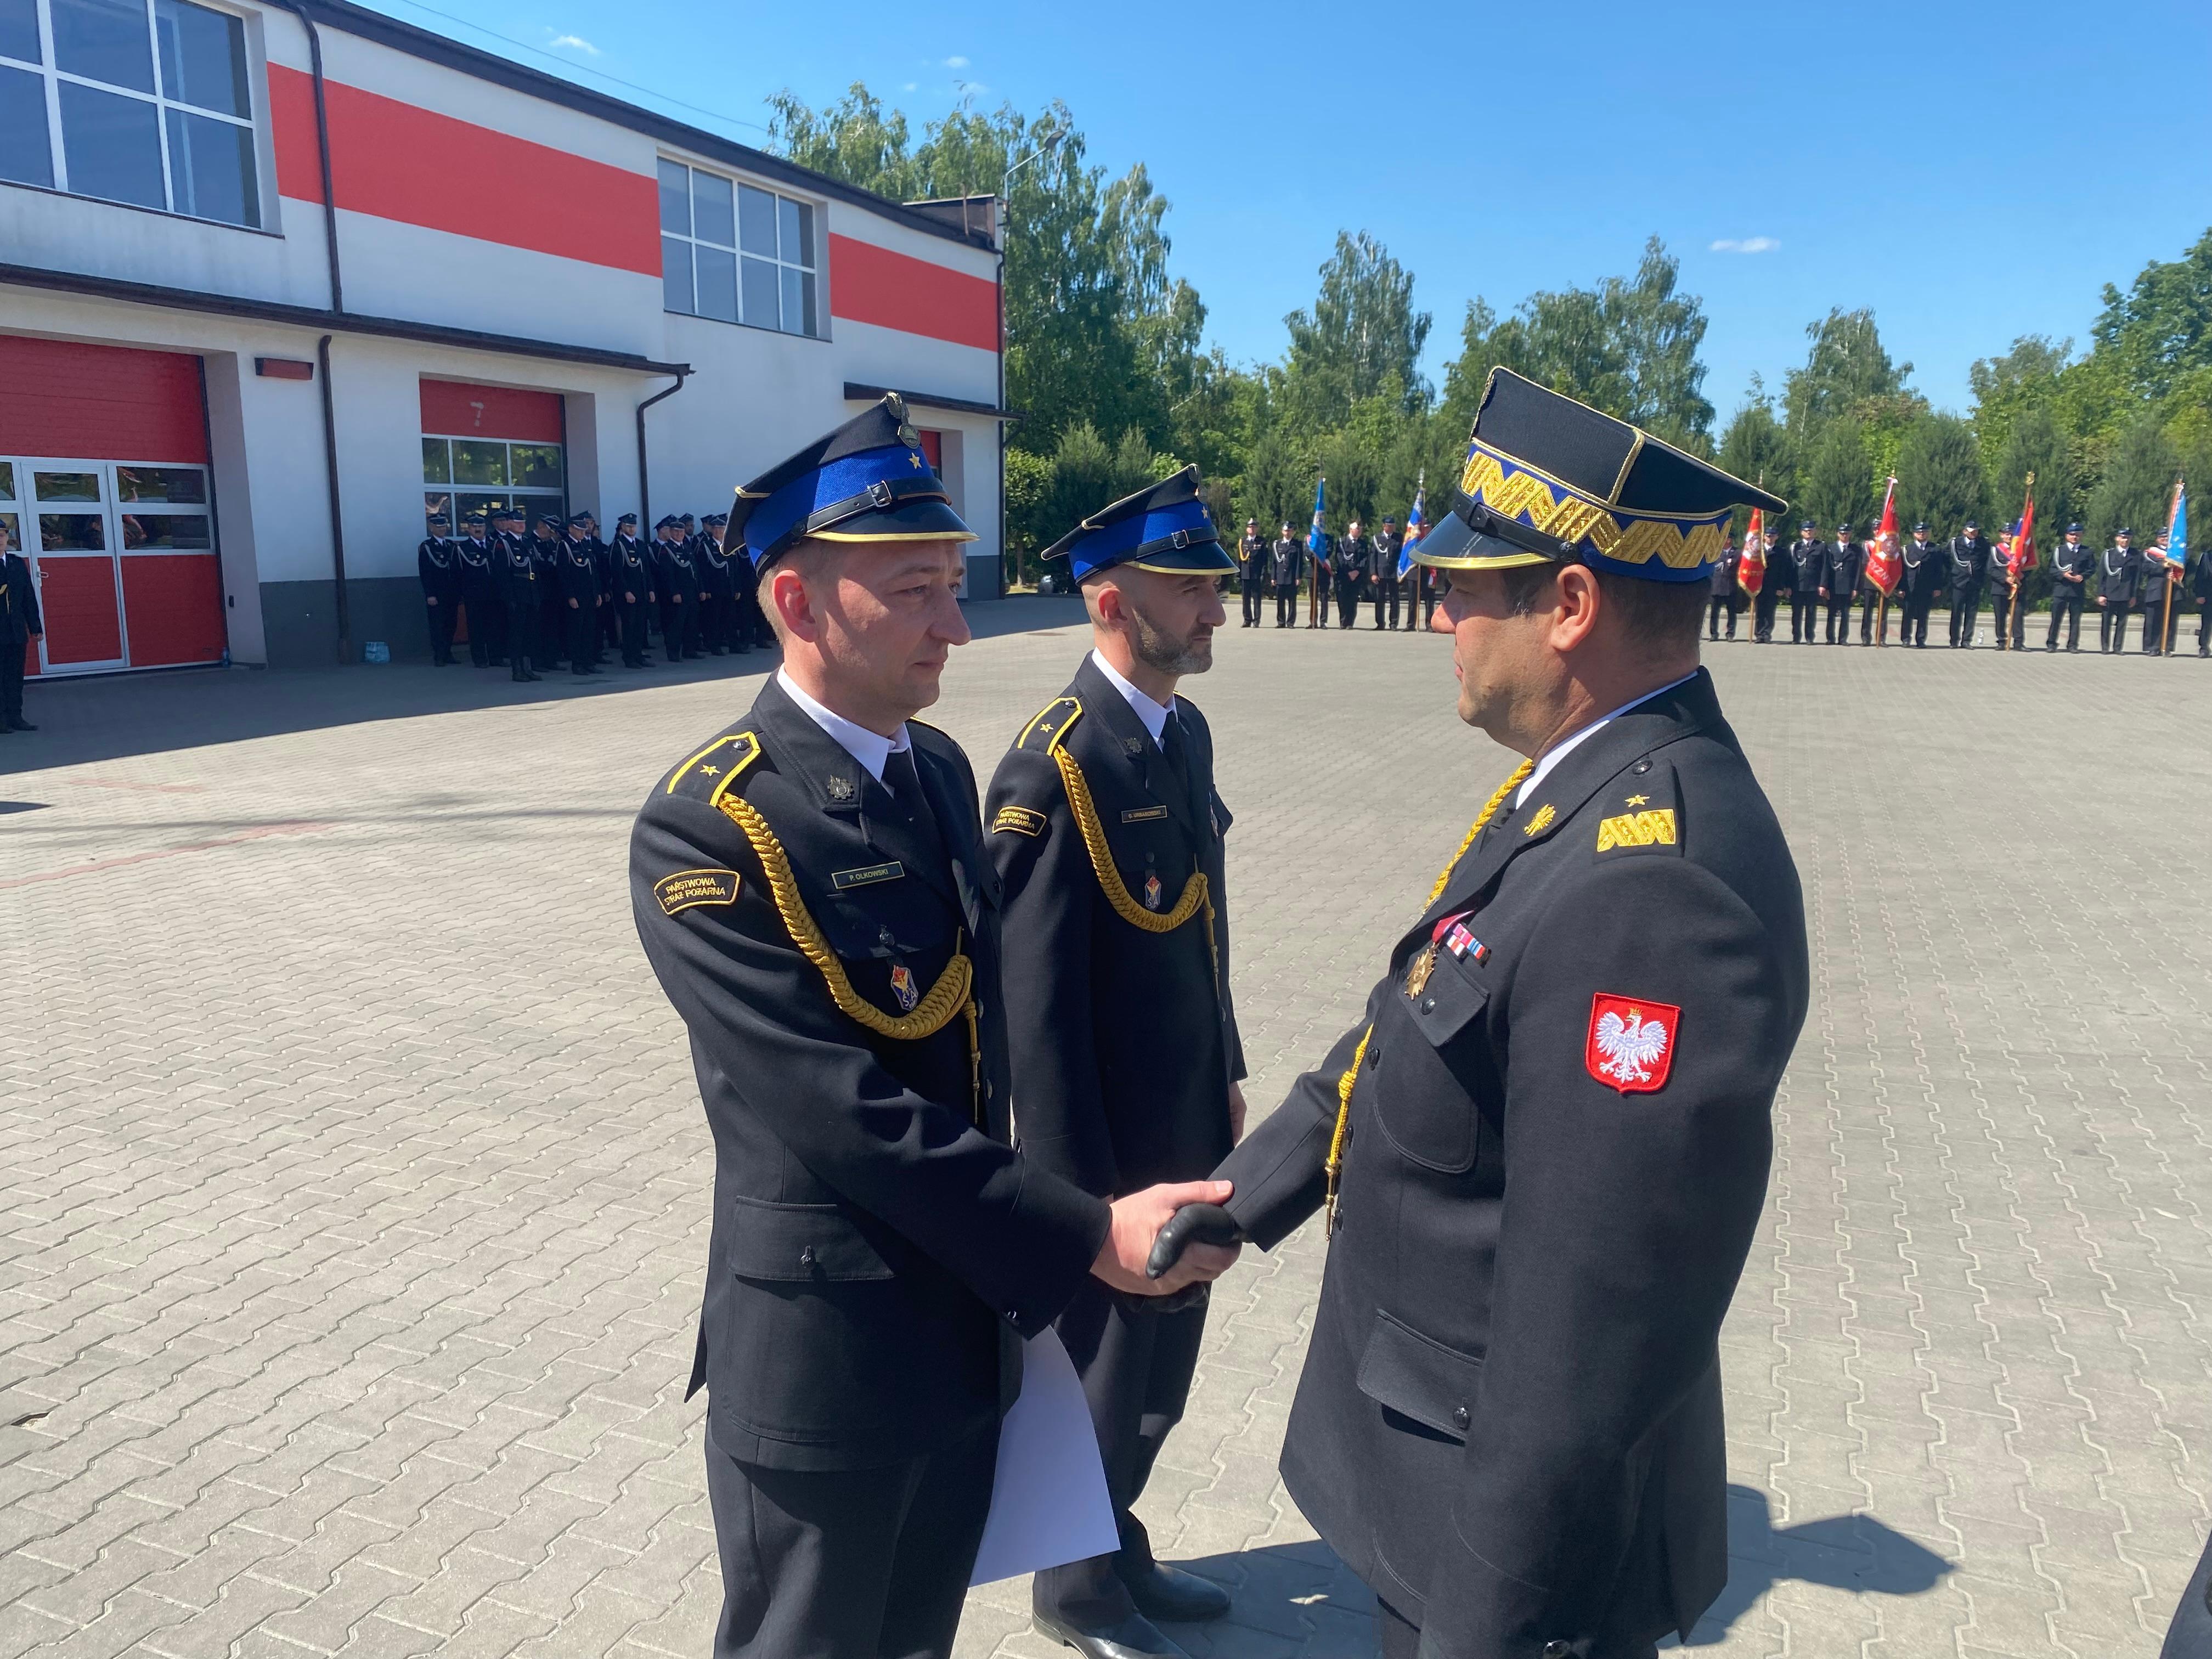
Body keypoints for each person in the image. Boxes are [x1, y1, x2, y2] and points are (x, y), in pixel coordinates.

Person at [1154, 368, 1808, 1659]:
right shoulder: (1585, 780)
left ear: (1569, 606)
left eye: (1466, 585)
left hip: (1499, 1554)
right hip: (1436, 1485)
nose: (1438, 609)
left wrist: (1489, 1623)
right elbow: (1418, 1014)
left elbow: (1588, 1338)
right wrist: (1238, 1199)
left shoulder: (1656, 883)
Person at [627, 397, 1239, 1659]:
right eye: (916, 592)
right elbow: (842, 1113)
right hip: (829, 1367)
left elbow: (991, 1043)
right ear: (797, 605)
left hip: (964, 1341)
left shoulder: (941, 771)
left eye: (954, 588)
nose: (957, 627)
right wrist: (1086, 1230)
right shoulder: (711, 826)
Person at [987, 467, 1246, 1659]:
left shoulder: (1180, 733)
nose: (1213, 608)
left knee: (1162, 1362)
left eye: (1212, 586)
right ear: (1109, 602)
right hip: (1102, 1142)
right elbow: (1031, 1006)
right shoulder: (1056, 761)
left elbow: (1203, 924)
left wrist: (1225, 1065)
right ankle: (1075, 1584)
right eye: (1187, 589)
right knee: (1103, 1363)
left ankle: (1115, 1531)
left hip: (1183, 1108)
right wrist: (1076, 1204)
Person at [0, 518, 42, 732]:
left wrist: (35, 627)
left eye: (2, 536)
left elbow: (28, 597)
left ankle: (16, 717)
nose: (0, 540)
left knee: (15, 677)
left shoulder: (16, 564)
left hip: (16, 632)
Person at [492, 511, 541, 682]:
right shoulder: (503, 544)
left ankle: (527, 668)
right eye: (517, 521)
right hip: (517, 594)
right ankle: (517, 669)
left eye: (523, 521)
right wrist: (509, 597)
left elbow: (534, 569)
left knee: (530, 632)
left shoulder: (527, 542)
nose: (521, 525)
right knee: (517, 633)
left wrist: (537, 594)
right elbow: (502, 574)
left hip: (530, 593)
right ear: (508, 524)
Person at [455, 512, 504, 668]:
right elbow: (458, 573)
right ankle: (480, 659)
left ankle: (496, 658)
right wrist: (462, 593)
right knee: (476, 628)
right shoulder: (463, 548)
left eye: (480, 526)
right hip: (474, 594)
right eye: (474, 526)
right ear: (469, 529)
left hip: (494, 593)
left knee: (495, 626)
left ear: (485, 527)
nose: (478, 529)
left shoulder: (494, 544)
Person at [610, 511, 656, 668]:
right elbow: (617, 572)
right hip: (628, 594)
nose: (632, 529)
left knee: (640, 626)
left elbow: (646, 570)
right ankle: (629, 658)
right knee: (629, 626)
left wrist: (650, 589)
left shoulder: (640, 545)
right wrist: (626, 591)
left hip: (642, 592)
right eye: (629, 526)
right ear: (623, 527)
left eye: (634, 526)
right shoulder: (619, 545)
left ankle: (638, 655)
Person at [560, 512, 604, 674]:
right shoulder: (565, 546)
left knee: (589, 630)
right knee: (576, 631)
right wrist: (570, 596)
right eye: (579, 530)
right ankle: (577, 663)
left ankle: (588, 661)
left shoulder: (585, 545)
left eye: (584, 530)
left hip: (590, 595)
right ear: (571, 529)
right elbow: (564, 574)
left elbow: (594, 572)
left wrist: (598, 593)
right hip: (577, 596)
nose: (582, 533)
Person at [417, 512, 461, 666]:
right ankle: (439, 655)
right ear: (431, 528)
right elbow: (425, 573)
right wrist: (430, 594)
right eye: (439, 526)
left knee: (451, 624)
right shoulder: (427, 547)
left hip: (451, 593)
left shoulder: (451, 546)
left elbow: (456, 571)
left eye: (444, 526)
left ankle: (448, 653)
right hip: (436, 594)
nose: (442, 529)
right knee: (437, 625)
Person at [656, 515, 701, 661]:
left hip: (691, 592)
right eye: (676, 532)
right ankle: (673, 653)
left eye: (681, 532)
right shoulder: (667, 549)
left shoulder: (686, 548)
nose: (679, 534)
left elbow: (695, 570)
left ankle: (689, 650)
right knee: (676, 625)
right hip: (679, 594)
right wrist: (674, 592)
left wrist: (701, 589)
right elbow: (667, 574)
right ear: (670, 532)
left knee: (691, 623)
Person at [2046, 522, 2091, 651]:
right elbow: (2052, 569)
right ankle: (2051, 643)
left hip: (2077, 590)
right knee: (2056, 619)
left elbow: (2091, 568)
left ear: (2081, 535)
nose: (2075, 537)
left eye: (2077, 534)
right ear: (2067, 536)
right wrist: (2063, 575)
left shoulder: (2087, 551)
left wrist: (2083, 576)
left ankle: (2073, 645)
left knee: (2075, 620)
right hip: (2061, 589)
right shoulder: (2059, 551)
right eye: (2072, 534)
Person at [1947, 519, 1992, 647]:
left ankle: (1967, 640)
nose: (1974, 533)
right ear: (1965, 531)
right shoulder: (1956, 543)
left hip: (1975, 582)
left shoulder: (1983, 544)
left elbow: (1985, 560)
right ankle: (1954, 640)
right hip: (1959, 583)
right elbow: (1946, 558)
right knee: (1956, 612)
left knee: (1971, 613)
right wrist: (1954, 572)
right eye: (1971, 531)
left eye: (1976, 531)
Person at [2141, 536, 2182, 655]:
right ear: (2157, 539)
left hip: (2174, 591)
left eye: (2167, 537)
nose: (2165, 539)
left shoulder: (2178, 552)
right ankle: (2153, 647)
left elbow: (2187, 568)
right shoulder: (2150, 553)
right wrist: (2163, 567)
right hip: (2156, 590)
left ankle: (2167, 647)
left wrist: (2175, 575)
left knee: (2171, 621)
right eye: (2162, 537)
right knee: (2153, 620)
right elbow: (2145, 568)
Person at [2100, 528, 2138, 653]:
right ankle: (2105, 647)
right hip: (2109, 593)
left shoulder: (2135, 555)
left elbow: (2136, 578)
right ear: (2117, 539)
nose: (2125, 540)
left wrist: (2133, 596)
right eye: (2122, 537)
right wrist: (2101, 594)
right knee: (2106, 622)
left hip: (2125, 593)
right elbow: (2102, 576)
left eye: (2128, 538)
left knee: (2122, 622)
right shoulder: (2108, 554)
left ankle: (2118, 647)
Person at [1822, 523, 1861, 644]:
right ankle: (1830, 638)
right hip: (1833, 586)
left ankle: (1843, 639)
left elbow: (1858, 570)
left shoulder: (1856, 550)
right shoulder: (1830, 549)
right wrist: (1825, 586)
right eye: (1842, 533)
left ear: (1850, 534)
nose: (1845, 535)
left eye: (1847, 533)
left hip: (1848, 586)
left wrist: (1855, 588)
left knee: (1845, 614)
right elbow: (1826, 569)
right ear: (1838, 534)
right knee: (1831, 613)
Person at [1787, 521, 1824, 644]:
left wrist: (1823, 584)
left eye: (1811, 530)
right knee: (1796, 613)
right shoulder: (1795, 547)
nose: (1808, 532)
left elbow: (1824, 567)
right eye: (1806, 530)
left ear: (1815, 532)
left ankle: (1810, 637)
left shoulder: (1821, 546)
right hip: (1797, 585)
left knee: (1811, 613)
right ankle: (1796, 637)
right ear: (1802, 532)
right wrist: (1788, 586)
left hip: (1813, 585)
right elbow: (1790, 568)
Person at [1989, 537, 2028, 652]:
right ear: (2001, 535)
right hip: (2000, 588)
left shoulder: (2021, 550)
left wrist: (2020, 576)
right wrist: (2005, 579)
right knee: (2000, 616)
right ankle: (2002, 641)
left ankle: (2018, 642)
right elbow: (1991, 569)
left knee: (2018, 616)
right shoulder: (1996, 550)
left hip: (2017, 588)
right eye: (2006, 534)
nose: (2009, 537)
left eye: (2011, 534)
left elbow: (2028, 566)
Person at [1370, 516, 1403, 630]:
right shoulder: (1377, 538)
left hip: (1394, 573)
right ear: (1384, 526)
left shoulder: (1399, 538)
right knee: (1380, 599)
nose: (1392, 528)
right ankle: (1380, 623)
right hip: (1380, 573)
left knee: (1394, 599)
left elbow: (1401, 555)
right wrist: (1373, 573)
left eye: (1393, 526)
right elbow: (1373, 557)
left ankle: (1393, 623)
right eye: (1389, 526)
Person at [1750, 526, 1782, 642]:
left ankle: (1767, 634)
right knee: (1759, 611)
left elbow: (1784, 571)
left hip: (1773, 586)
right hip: (1758, 586)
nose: (1770, 538)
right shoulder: (1757, 551)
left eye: (1773, 536)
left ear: (1777, 537)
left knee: (1770, 612)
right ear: (1764, 537)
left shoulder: (1781, 552)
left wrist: (1781, 587)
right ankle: (1759, 635)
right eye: (1768, 536)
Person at [1707, 535, 1740, 641]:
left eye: (1727, 538)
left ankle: (1730, 634)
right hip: (1716, 587)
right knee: (1714, 613)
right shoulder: (1715, 552)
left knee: (1731, 612)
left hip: (1730, 587)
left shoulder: (1738, 553)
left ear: (1730, 540)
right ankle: (1714, 634)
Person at [1269, 521, 1300, 628]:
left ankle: (1291, 622)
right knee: (1280, 601)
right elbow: (1274, 562)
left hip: (1292, 576)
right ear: (1282, 531)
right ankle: (1281, 622)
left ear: (1293, 532)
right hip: (1280, 577)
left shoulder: (1297, 544)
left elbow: (1299, 562)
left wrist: (1298, 577)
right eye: (1286, 530)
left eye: (1289, 531)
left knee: (1292, 601)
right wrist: (1273, 577)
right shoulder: (1277, 544)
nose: (1287, 533)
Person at [1237, 518, 1267, 627]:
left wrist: (1263, 574)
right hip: (1245, 574)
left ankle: (1257, 620)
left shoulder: (1261, 542)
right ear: (1247, 529)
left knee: (1257, 599)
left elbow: (1264, 560)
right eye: (1250, 527)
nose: (1252, 529)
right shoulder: (1243, 542)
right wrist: (1238, 574)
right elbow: (1239, 560)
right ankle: (1247, 620)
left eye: (1254, 527)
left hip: (1256, 575)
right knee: (1246, 599)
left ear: (1257, 529)